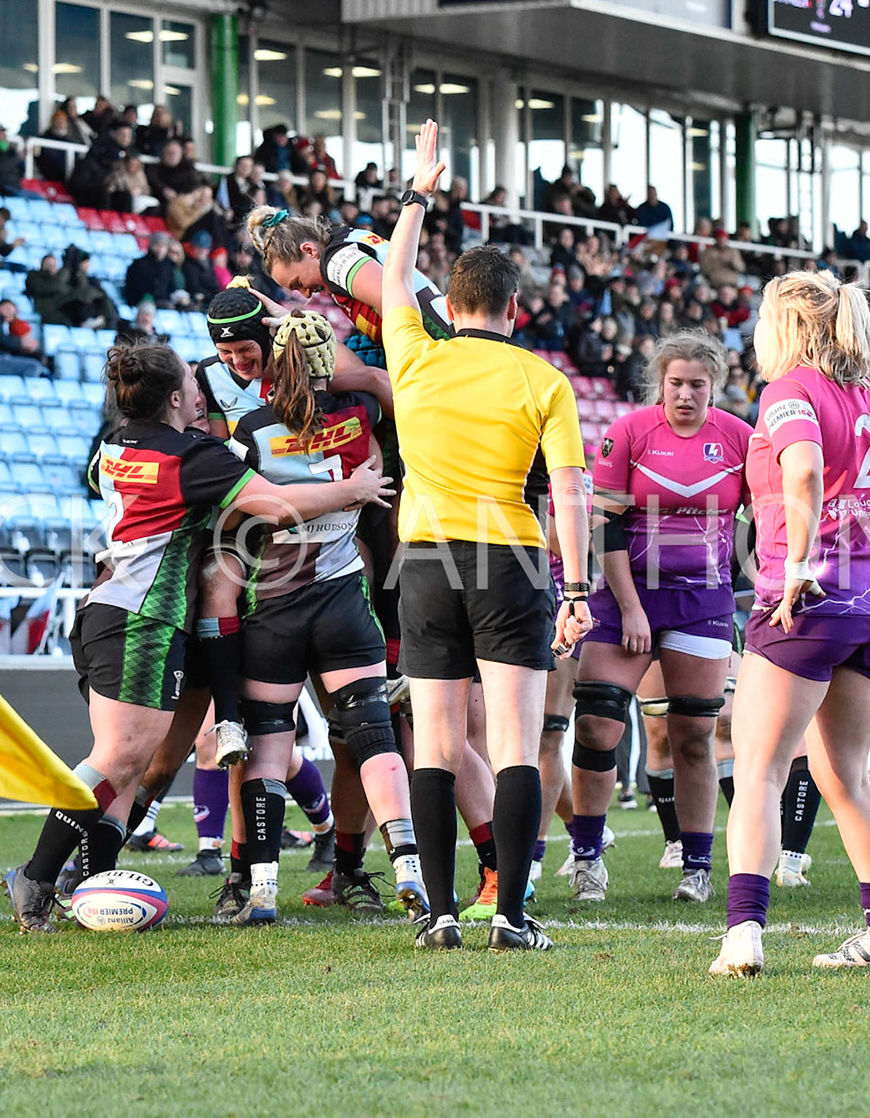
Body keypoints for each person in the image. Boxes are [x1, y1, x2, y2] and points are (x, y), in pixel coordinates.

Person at [0, 342, 392, 932]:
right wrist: (352, 491)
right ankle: (36, 875)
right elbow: (278, 506)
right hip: (141, 618)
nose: (203, 387)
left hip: (124, 608)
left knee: (137, 770)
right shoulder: (192, 458)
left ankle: (89, 883)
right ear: (177, 398)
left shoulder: (114, 444)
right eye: (192, 380)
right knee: (121, 758)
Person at [382, 120, 592, 952]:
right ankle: (510, 914)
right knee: (511, 745)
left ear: (450, 305)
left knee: (434, 746)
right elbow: (570, 493)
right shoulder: (544, 379)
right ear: (514, 307)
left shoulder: (415, 357)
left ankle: (439, 915)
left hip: (425, 562)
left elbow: (394, 277)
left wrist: (416, 194)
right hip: (509, 561)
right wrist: (576, 590)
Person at [711, 270, 870, 977]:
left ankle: (743, 932)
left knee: (761, 770)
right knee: (846, 777)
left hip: (807, 596)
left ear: (787, 326)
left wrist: (797, 565)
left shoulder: (790, 391)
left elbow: (801, 472)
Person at [222, 311, 429, 928]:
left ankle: (259, 890)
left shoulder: (251, 430)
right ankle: (408, 869)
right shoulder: (359, 418)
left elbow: (231, 516)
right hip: (343, 597)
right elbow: (388, 396)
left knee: (268, 747)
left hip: (274, 603)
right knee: (372, 737)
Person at [566, 331, 750, 906]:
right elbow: (606, 526)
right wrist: (629, 607)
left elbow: (765, 516)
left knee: (695, 734)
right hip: (629, 595)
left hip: (704, 600)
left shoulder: (741, 439)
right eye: (676, 384)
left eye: (698, 385)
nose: (687, 396)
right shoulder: (628, 433)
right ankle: (588, 857)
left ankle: (696, 867)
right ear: (660, 383)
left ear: (714, 386)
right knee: (598, 723)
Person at [245, 204, 455, 363]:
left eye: (298, 283)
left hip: (441, 353)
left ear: (310, 251)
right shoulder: (346, 239)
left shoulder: (336, 263)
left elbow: (395, 301)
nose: (306, 294)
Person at [25, 246, 117, 328]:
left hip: (67, 307)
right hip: (51, 310)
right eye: (47, 264)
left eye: (53, 264)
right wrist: (67, 267)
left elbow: (82, 287)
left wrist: (77, 270)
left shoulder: (61, 275)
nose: (51, 267)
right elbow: (56, 286)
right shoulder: (35, 276)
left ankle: (106, 321)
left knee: (96, 295)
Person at [124, 232, 187, 308]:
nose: (160, 249)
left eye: (163, 246)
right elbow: (131, 289)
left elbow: (171, 287)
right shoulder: (138, 264)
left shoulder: (169, 266)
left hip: (164, 300)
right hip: (142, 302)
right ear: (151, 246)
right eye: (157, 245)